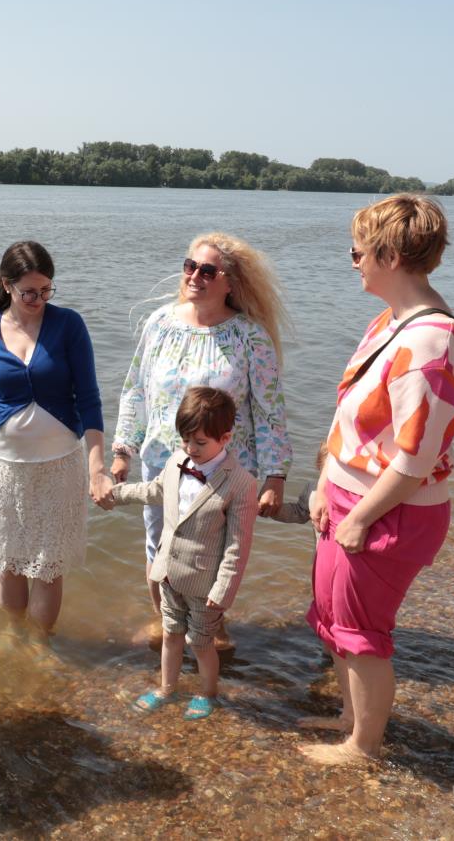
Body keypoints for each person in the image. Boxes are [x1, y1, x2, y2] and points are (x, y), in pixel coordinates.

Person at [301, 193, 454, 765]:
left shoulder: (432, 340)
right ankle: (349, 716)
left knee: (362, 633)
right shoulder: (390, 321)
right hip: (351, 496)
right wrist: (325, 483)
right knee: (332, 618)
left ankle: (362, 746)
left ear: (391, 255)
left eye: (359, 250)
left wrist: (361, 516)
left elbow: (415, 458)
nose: (353, 259)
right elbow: (348, 408)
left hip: (389, 508)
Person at [112, 232, 292, 649]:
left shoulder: (250, 336)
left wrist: (275, 474)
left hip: (225, 474)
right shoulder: (159, 324)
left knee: (212, 555)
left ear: (230, 281)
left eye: (207, 270)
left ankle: (211, 627)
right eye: (190, 266)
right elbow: (135, 391)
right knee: (160, 548)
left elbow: (269, 411)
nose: (195, 276)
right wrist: (123, 449)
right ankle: (167, 625)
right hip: (163, 465)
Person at [0, 240, 113, 635]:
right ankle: (16, 642)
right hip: (4, 468)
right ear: (6, 285)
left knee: (48, 566)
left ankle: (40, 645)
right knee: (9, 561)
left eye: (46, 290)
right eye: (29, 291)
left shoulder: (69, 325)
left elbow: (90, 400)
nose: (38, 299)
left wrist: (98, 467)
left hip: (60, 465)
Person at [105, 387, 258, 720]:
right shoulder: (177, 462)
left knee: (201, 643)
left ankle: (207, 693)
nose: (191, 449)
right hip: (169, 573)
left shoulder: (242, 484)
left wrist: (223, 591)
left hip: (206, 586)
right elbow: (155, 490)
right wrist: (117, 494)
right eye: (186, 440)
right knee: (171, 634)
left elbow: (237, 547)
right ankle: (166, 688)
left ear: (226, 437)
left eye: (200, 442)